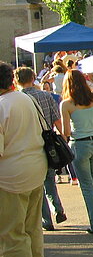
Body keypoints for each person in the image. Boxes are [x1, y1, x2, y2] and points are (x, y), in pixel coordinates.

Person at [0, 62, 48, 257]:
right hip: (36, 168)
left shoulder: (1, 106)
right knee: (31, 229)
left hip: (10, 176)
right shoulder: (25, 98)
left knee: (10, 233)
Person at [14, 67, 67, 232]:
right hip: (49, 142)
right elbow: (57, 119)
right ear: (32, 78)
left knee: (37, 184)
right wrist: (63, 136)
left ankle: (46, 219)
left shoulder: (18, 99)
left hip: (28, 144)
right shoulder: (46, 95)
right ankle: (57, 209)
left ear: (16, 81)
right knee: (49, 180)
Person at [60, 69, 93, 234]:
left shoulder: (67, 104)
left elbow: (67, 132)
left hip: (80, 143)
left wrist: (78, 130)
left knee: (86, 185)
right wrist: (92, 127)